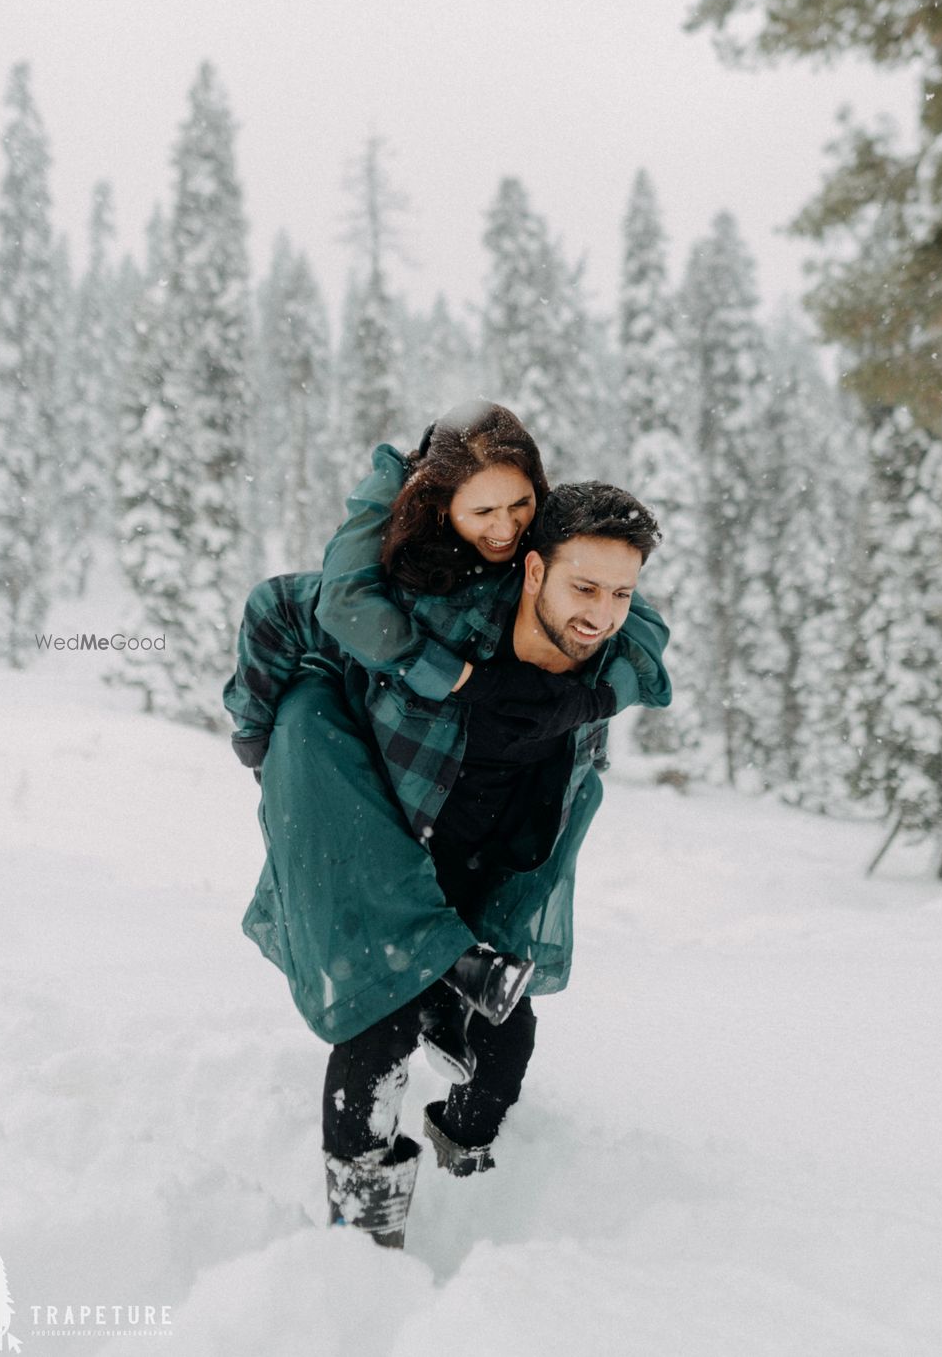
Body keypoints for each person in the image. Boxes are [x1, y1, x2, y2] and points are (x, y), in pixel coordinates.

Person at [224, 406, 671, 1246]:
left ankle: (478, 1194)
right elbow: (286, 608)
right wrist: (254, 731)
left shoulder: (601, 648)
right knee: (381, 1022)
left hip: (485, 875)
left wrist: (599, 692)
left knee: (505, 1050)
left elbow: (647, 646)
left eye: (619, 595)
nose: (602, 612)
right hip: (389, 840)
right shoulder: (427, 609)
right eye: (584, 589)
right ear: (533, 572)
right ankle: (361, 1238)